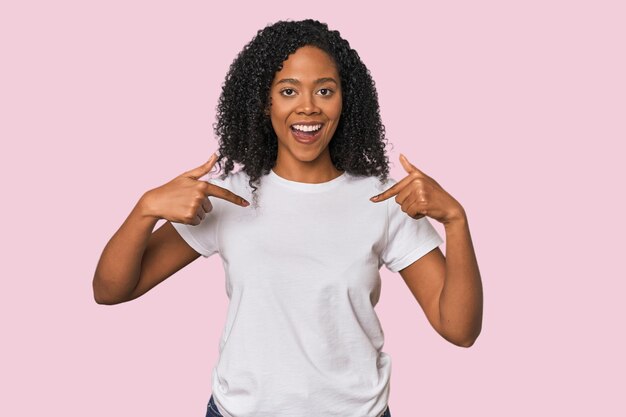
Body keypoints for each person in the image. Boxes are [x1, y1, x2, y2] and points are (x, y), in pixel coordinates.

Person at [93, 19, 483, 417]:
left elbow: (460, 330)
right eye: (288, 91)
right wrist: (145, 209)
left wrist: (456, 220)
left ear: (345, 101)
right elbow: (111, 291)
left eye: (325, 91)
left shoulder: (383, 199)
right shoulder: (230, 196)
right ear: (265, 103)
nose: (308, 106)